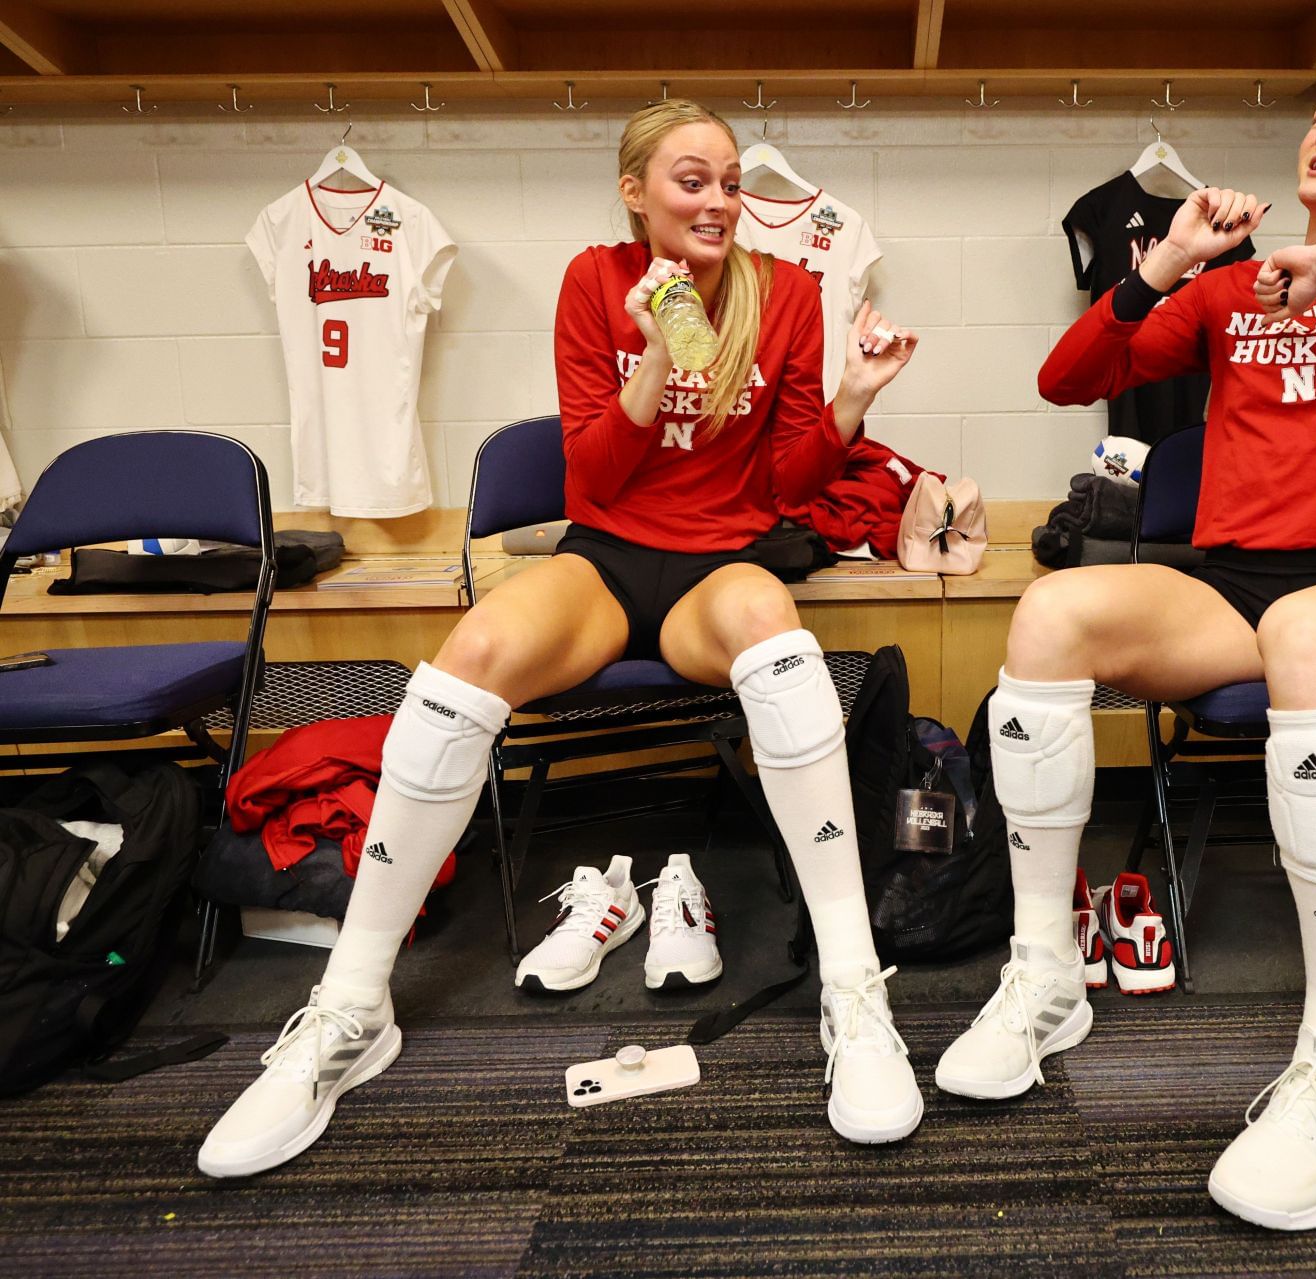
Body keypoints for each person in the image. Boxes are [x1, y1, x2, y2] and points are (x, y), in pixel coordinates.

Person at [199, 99, 926, 1177]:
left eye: (730, 182)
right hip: (608, 557)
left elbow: (785, 484)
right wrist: (651, 355)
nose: (720, 202)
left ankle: (854, 993)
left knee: (777, 634)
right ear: (636, 191)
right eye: (692, 180)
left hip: (720, 564)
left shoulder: (781, 291)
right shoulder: (595, 281)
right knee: (471, 655)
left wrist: (852, 401)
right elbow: (593, 476)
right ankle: (350, 1008)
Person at [933, 68, 1316, 1231]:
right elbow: (1069, 377)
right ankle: (1047, 976)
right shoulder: (1231, 291)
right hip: (1234, 586)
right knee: (1053, 612)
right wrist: (1170, 261)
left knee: (1310, 632)